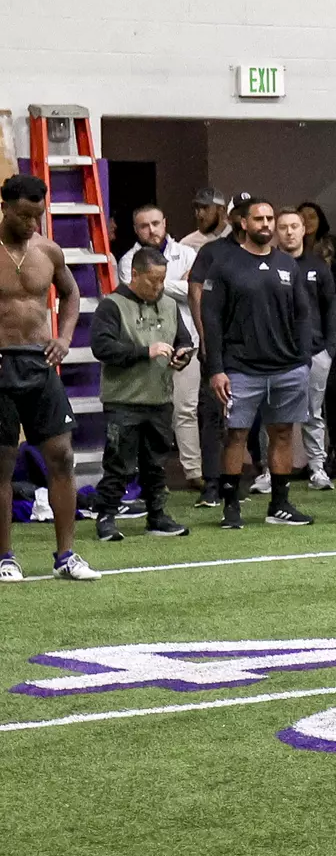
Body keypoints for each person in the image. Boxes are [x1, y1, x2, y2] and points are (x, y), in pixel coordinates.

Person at [0, 174, 100, 580]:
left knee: (61, 457)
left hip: (40, 364)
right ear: (4, 206)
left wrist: (64, 337)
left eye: (37, 216)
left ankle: (66, 556)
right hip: (2, 364)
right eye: (24, 216)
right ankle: (5, 557)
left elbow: (71, 294)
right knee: (2, 465)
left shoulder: (49, 250)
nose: (32, 225)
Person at [201, 198, 316, 529]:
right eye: (259, 219)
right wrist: (216, 369)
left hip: (287, 368)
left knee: (282, 434)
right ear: (244, 224)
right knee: (235, 436)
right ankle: (231, 508)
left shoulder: (287, 265)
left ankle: (279, 506)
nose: (266, 224)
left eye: (270, 219)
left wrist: (303, 359)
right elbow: (211, 319)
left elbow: (302, 315)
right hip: (240, 369)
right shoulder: (225, 264)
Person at [90, 246, 193, 542]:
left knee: (156, 463)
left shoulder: (170, 305)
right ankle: (106, 517)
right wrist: (145, 352)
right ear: (134, 275)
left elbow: (182, 339)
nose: (158, 287)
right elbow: (102, 348)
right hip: (123, 400)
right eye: (152, 280)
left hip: (160, 398)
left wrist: (182, 355)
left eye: (162, 280)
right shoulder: (112, 305)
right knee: (118, 463)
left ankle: (157, 516)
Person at [117, 203, 202, 487]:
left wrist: (166, 285)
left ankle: (194, 473)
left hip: (185, 340)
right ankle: (153, 476)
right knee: (150, 414)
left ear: (164, 223)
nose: (151, 230)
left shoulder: (187, 253)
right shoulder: (129, 260)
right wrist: (181, 285)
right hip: (146, 347)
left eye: (155, 223)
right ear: (136, 229)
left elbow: (197, 290)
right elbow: (143, 296)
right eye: (144, 225)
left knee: (186, 410)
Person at [188, 191, 251, 507]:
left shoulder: (264, 253)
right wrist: (206, 341)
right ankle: (212, 484)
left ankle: (237, 483)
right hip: (220, 347)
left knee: (248, 419)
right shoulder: (213, 252)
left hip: (255, 350)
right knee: (213, 417)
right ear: (231, 217)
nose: (244, 219)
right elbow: (195, 292)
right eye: (239, 213)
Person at [276, 208, 336, 489]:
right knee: (274, 415)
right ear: (276, 232)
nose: (289, 232)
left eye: (294, 226)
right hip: (277, 355)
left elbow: (329, 310)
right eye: (283, 227)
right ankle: (270, 471)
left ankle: (317, 468)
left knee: (314, 413)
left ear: (304, 230)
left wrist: (329, 349)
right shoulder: (270, 266)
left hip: (315, 353)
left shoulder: (318, 267)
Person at [299, 201, 336, 472]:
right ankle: (307, 459)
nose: (307, 221)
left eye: (311, 216)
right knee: (302, 398)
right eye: (302, 217)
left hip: (335, 334)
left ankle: (332, 453)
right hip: (301, 337)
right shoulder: (289, 255)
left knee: (331, 390)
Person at [179, 186, 230, 252]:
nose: (199, 213)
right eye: (197, 208)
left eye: (205, 208)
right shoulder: (188, 244)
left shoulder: (239, 239)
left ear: (221, 209)